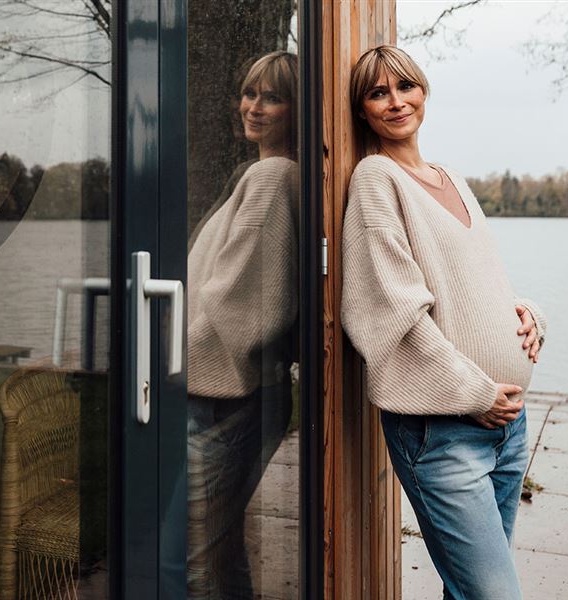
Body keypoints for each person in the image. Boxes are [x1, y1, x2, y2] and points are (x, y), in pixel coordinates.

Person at [341, 45, 547, 600]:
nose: (395, 101)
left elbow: (478, 278)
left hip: (508, 428)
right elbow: (389, 309)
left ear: (424, 93)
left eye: (405, 86)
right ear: (362, 110)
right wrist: (475, 392)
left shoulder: (449, 176)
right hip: (443, 428)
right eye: (377, 93)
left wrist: (527, 315)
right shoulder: (375, 179)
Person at [184, 50, 299, 599]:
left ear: (296, 110)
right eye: (250, 93)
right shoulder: (262, 174)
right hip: (237, 392)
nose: (253, 107)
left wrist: (169, 357)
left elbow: (241, 305)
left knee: (190, 557)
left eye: (272, 97)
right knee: (221, 547)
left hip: (222, 397)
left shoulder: (274, 177)